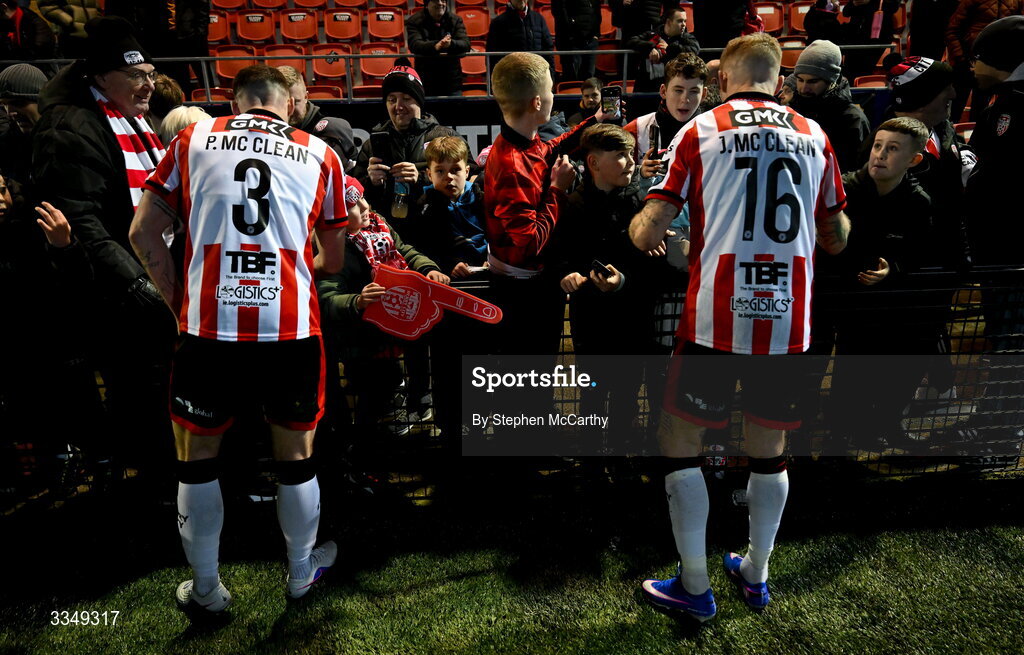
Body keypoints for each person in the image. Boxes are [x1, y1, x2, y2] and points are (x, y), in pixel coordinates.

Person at [630, 33, 849, 622]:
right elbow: (836, 236)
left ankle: (695, 586)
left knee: (680, 443)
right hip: (787, 321)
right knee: (769, 448)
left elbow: (650, 233)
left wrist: (641, 224)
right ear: (779, 81)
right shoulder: (814, 135)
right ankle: (757, 572)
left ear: (723, 80)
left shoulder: (699, 132)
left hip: (715, 318)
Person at [128, 65, 349, 613]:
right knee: (296, 455)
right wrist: (290, 267)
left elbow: (142, 233)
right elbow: (334, 260)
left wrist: (182, 299)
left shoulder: (192, 138)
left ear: (232, 100)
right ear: (290, 105)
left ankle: (206, 588)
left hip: (209, 326)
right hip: (290, 328)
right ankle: (301, 573)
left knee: (197, 457)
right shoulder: (322, 154)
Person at [32, 16, 176, 494]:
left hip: (152, 284)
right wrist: (140, 284)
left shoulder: (138, 120)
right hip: (116, 298)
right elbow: (82, 220)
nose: (147, 85)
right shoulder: (72, 126)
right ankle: (150, 492)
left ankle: (165, 485)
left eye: (150, 74)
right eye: (136, 76)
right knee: (140, 395)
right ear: (99, 78)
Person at [551, 123, 672, 444]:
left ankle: (620, 458)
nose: (632, 162)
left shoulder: (641, 204)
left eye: (631, 154)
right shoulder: (573, 207)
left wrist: (624, 281)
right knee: (592, 395)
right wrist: (568, 275)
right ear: (593, 163)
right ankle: (591, 462)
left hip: (633, 319)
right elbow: (562, 257)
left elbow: (654, 265)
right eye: (621, 156)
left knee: (626, 397)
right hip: (591, 322)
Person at [485, 51, 610, 358]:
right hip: (523, 294)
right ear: (537, 103)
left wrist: (594, 122)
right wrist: (557, 189)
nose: (555, 96)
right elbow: (528, 242)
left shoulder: (522, 139)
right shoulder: (512, 164)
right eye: (551, 90)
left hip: (528, 283)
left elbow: (549, 148)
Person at [828, 117, 936, 451]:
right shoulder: (844, 188)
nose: (880, 155)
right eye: (877, 146)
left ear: (913, 160)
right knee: (844, 370)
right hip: (835, 293)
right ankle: (836, 438)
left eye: (892, 149)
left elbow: (920, 253)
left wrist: (894, 270)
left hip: (885, 300)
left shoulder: (918, 202)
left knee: (885, 365)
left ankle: (873, 427)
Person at [318, 177, 449, 436]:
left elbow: (405, 250)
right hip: (360, 342)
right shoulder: (332, 246)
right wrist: (356, 301)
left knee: (389, 383)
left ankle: (391, 429)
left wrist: (428, 268)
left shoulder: (380, 227)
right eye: (355, 205)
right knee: (368, 398)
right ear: (338, 215)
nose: (366, 207)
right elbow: (326, 297)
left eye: (363, 198)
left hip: (391, 331)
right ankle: (366, 450)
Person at [959, 16, 1024, 447]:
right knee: (1003, 335)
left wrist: (970, 170)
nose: (973, 65)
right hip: (997, 246)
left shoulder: (1016, 104)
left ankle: (1001, 430)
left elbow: (1005, 177)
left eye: (980, 57)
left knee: (1011, 339)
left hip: (1014, 247)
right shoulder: (999, 97)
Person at [351, 59, 459, 232]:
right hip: (388, 235)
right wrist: (370, 182)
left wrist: (424, 179)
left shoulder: (445, 137)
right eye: (391, 100)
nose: (398, 106)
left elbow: (467, 183)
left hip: (438, 231)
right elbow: (354, 196)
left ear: (419, 101)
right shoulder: (372, 144)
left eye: (406, 98)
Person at [787, 40, 870, 172]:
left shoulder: (852, 119)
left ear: (832, 81)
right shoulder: (790, 111)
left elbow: (856, 171)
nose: (803, 88)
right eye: (800, 80)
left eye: (813, 81)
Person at [624, 53, 708, 179]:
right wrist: (639, 174)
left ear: (703, 95)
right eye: (678, 90)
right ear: (663, 91)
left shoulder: (716, 132)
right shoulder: (635, 130)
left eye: (694, 91)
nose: (685, 99)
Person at [946, 0, 1022, 123]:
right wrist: (961, 59)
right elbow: (952, 30)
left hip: (994, 65)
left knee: (982, 113)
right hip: (967, 62)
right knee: (955, 109)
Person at [277, 65, 359, 171]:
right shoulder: (264, 128)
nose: (290, 109)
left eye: (296, 102)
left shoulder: (330, 130)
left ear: (306, 97)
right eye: (284, 102)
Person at [624, 6, 701, 92]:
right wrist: (650, 47)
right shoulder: (653, 34)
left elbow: (695, 49)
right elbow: (631, 41)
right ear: (668, 22)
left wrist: (669, 48)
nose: (684, 24)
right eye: (680, 21)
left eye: (685, 21)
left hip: (674, 88)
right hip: (647, 87)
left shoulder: (687, 37)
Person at [406, 0, 470, 97]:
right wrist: (435, 46)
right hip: (426, 81)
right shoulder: (414, 21)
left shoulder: (456, 20)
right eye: (436, 0)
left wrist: (450, 44)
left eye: (443, 0)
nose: (440, 3)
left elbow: (466, 44)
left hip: (452, 81)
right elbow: (415, 45)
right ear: (427, 4)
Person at [0, 63, 46, 186]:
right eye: (4, 105)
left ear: (42, 101)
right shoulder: (7, 144)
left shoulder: (69, 143)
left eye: (18, 103)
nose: (10, 112)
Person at [486, 0, 554, 73]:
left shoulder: (539, 19)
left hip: (537, 75)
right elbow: (492, 57)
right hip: (511, 77)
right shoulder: (497, 23)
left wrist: (551, 74)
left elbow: (548, 49)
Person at [551, 0, 601, 82]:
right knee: (572, 80)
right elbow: (559, 13)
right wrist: (571, 31)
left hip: (590, 40)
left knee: (589, 81)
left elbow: (597, 13)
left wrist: (596, 34)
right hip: (569, 41)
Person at [0, 1, 56, 67]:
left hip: (36, 69)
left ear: (3, 7)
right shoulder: (5, 22)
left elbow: (39, 50)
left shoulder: (32, 21)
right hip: (15, 67)